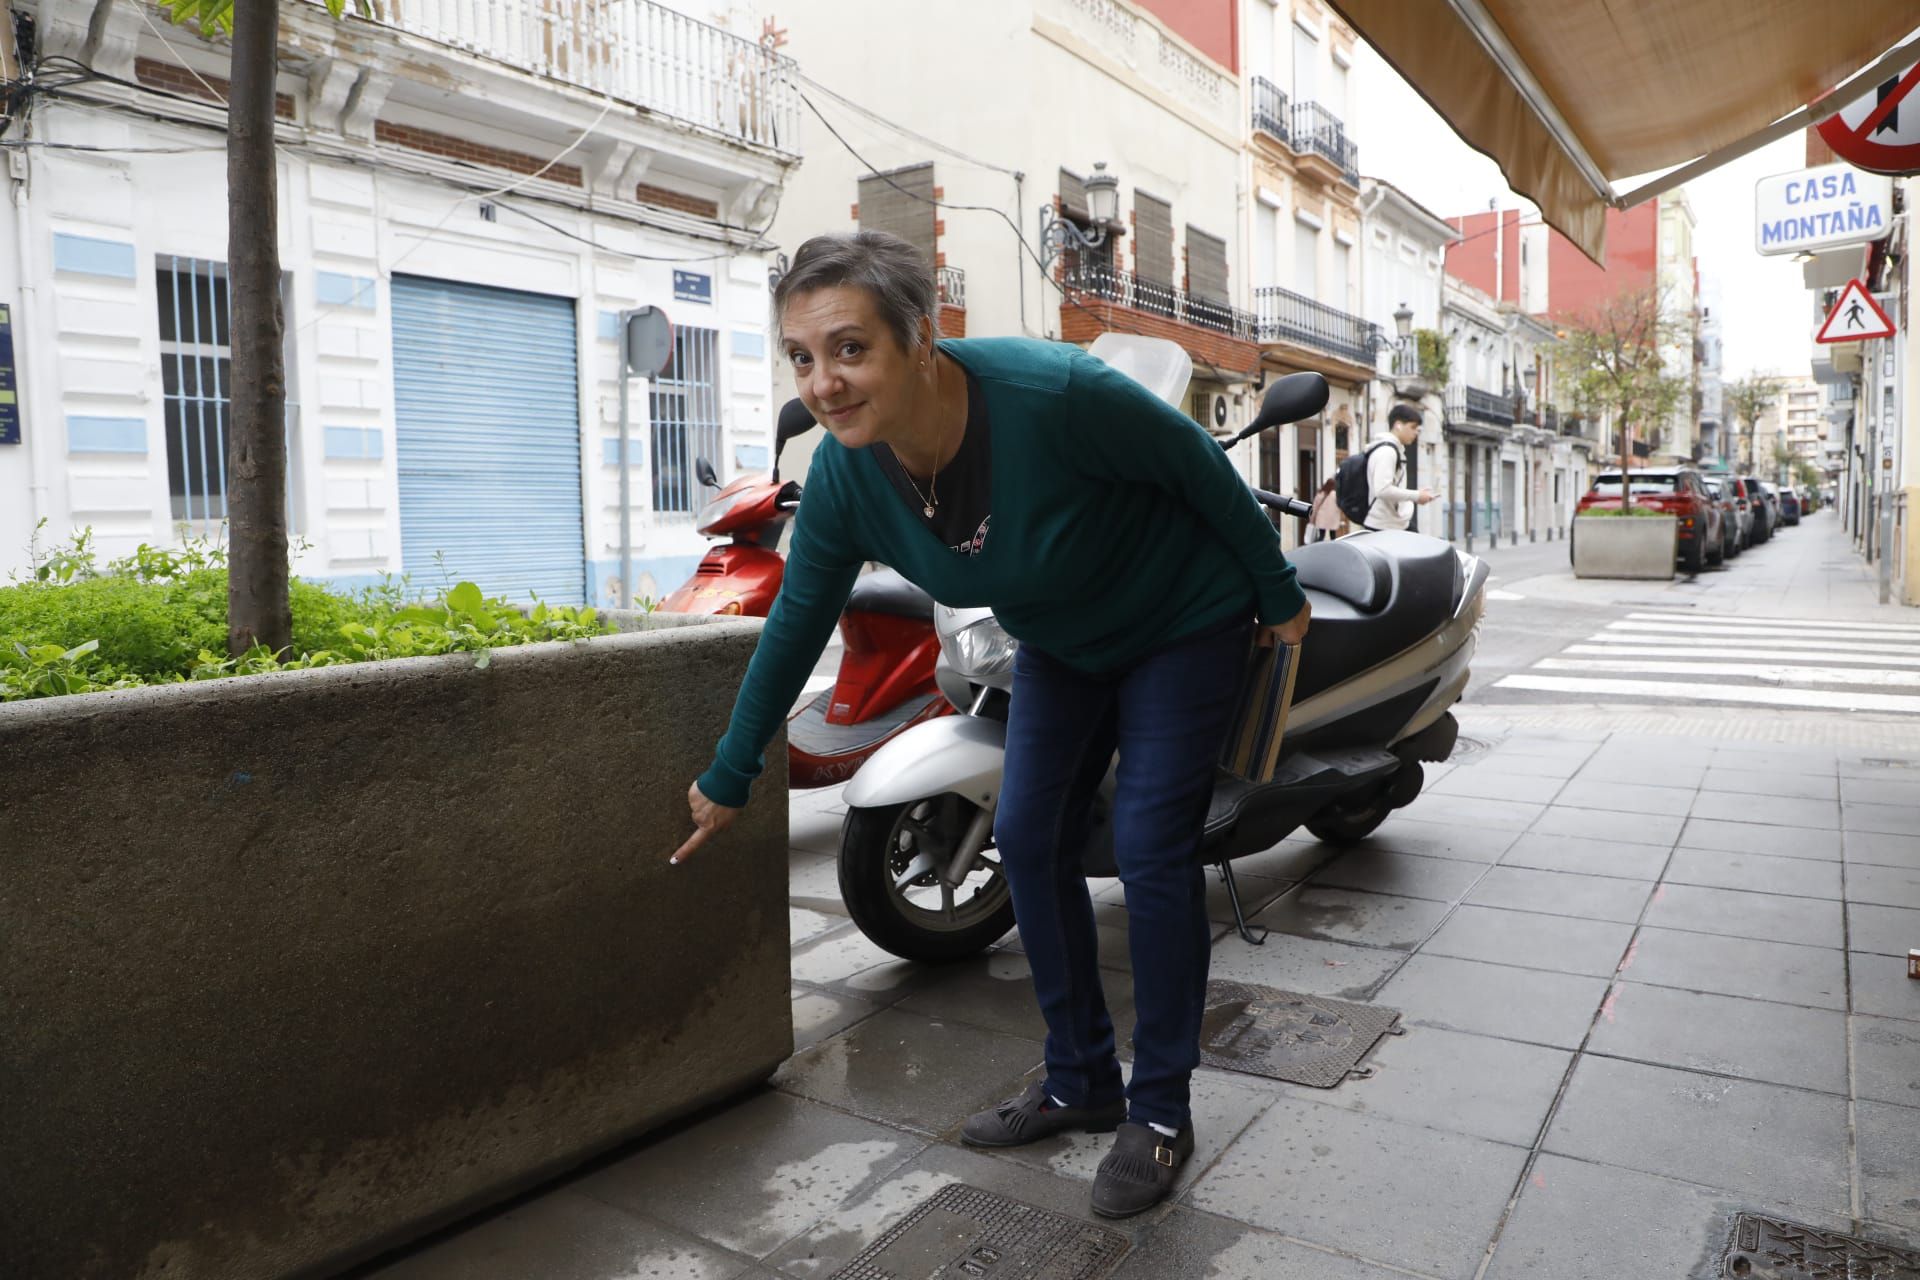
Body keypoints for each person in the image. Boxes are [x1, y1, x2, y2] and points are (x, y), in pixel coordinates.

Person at [668, 230, 1311, 1219]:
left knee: (1148, 843)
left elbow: (1194, 463)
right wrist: (729, 769)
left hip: (1181, 619)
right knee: (1025, 830)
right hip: (1060, 638)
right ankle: (1079, 1074)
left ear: (920, 339)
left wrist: (1276, 594)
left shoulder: (1050, 395)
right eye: (802, 356)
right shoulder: (845, 477)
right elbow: (796, 621)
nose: (825, 381)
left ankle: (1161, 1107)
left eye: (850, 348)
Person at [1362, 403, 1437, 533]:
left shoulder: (1392, 449)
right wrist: (1417, 495)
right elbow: (1383, 489)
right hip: (1384, 526)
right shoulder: (1387, 452)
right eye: (1412, 427)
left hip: (1392, 523)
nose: (1415, 433)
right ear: (1398, 425)